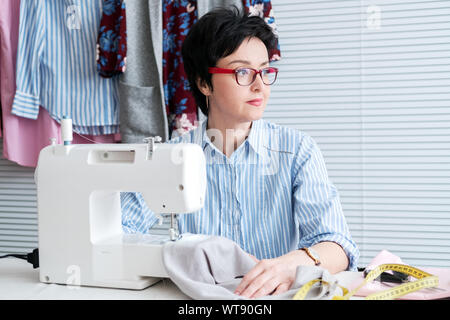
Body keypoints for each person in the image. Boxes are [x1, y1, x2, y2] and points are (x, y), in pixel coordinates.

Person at [121, 6, 359, 299]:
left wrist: (285, 266)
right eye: (243, 72)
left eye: (265, 71)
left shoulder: (297, 151)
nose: (260, 86)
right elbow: (119, 231)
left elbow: (338, 245)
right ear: (203, 82)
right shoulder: (170, 158)